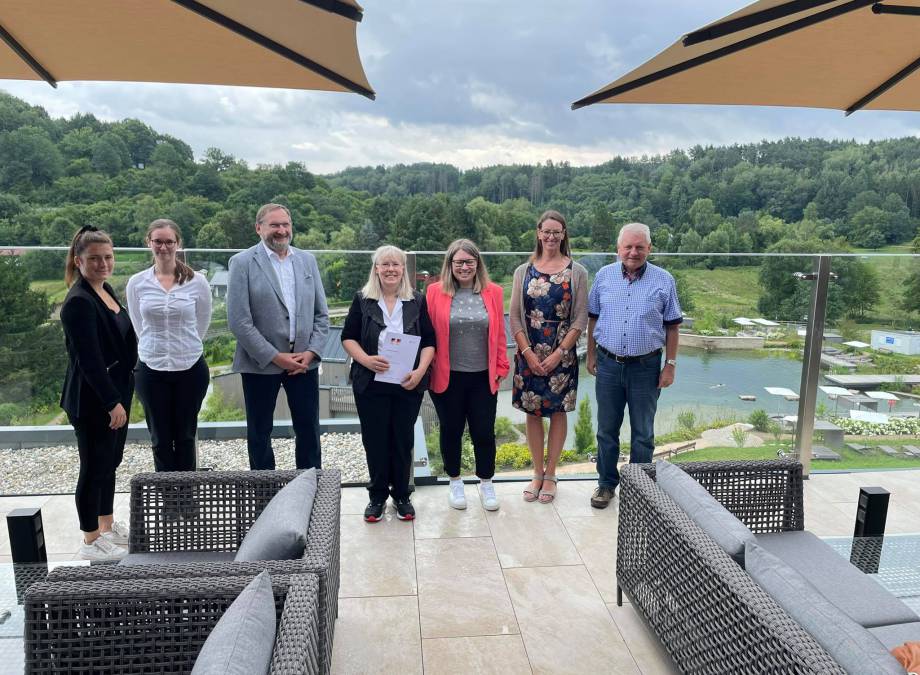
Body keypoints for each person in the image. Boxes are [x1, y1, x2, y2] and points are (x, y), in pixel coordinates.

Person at [586, 222, 682, 509]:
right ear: (618, 249)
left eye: (640, 247)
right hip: (608, 364)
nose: (633, 252)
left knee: (643, 432)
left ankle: (639, 489)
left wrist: (671, 365)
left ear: (649, 249)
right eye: (628, 246)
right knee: (606, 429)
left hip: (646, 368)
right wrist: (590, 356)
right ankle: (606, 484)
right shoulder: (603, 277)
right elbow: (593, 319)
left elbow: (673, 328)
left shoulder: (664, 280)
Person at [227, 203, 329, 470]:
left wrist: (311, 353)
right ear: (259, 228)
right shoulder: (242, 263)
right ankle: (264, 495)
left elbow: (321, 315)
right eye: (275, 225)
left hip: (304, 362)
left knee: (308, 430)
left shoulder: (307, 260)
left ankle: (309, 486)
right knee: (260, 433)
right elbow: (239, 321)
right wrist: (275, 357)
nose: (282, 230)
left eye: (286, 224)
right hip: (260, 364)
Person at [341, 245, 435, 522]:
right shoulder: (363, 299)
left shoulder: (417, 300)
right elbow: (348, 337)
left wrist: (419, 371)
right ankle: (377, 496)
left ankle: (402, 495)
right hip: (371, 382)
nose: (391, 269)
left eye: (397, 264)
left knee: (402, 439)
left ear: (403, 269)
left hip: (407, 383)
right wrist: (366, 360)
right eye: (386, 264)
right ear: (377, 269)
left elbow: (430, 341)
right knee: (375, 440)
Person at [60, 226, 137, 560]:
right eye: (94, 259)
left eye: (108, 257)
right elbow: (89, 360)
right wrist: (111, 402)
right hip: (94, 400)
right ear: (79, 261)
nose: (103, 263)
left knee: (110, 462)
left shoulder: (104, 290)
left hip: (116, 393)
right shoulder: (78, 302)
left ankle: (106, 526)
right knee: (93, 467)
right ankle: (91, 539)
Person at [509, 211, 588, 503]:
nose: (551, 237)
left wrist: (559, 353)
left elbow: (580, 319)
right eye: (547, 232)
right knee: (532, 412)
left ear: (564, 234)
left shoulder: (577, 271)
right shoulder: (523, 271)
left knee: (556, 412)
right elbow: (515, 317)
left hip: (562, 354)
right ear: (538, 233)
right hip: (528, 352)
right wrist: (528, 353)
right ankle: (537, 473)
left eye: (557, 232)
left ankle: (552, 474)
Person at [426, 239, 509, 511]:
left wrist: (501, 368)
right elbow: (427, 335)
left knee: (483, 432)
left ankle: (486, 483)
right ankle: (455, 481)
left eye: (469, 262)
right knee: (451, 431)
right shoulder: (434, 292)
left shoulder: (493, 292)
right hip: (447, 376)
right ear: (450, 265)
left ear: (477, 264)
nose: (464, 267)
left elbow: (498, 335)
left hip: (483, 377)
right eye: (459, 262)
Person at [127, 219, 211, 475]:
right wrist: (160, 348)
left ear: (178, 244)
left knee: (186, 435)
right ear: (149, 243)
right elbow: (139, 326)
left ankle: (186, 498)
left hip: (190, 368)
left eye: (169, 242)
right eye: (158, 241)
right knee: (160, 438)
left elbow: (202, 325)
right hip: (151, 369)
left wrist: (180, 347)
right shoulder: (137, 283)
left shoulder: (197, 282)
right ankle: (168, 500)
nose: (164, 247)